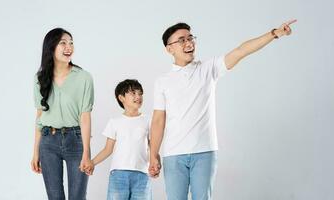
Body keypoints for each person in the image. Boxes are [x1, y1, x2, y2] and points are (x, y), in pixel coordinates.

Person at [149, 20, 297, 200]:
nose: (189, 43)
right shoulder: (162, 81)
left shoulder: (208, 68)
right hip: (173, 155)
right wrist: (153, 154)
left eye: (191, 38)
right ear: (169, 48)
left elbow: (241, 51)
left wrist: (274, 34)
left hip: (204, 152)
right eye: (181, 40)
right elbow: (158, 120)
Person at [31, 28, 94, 200]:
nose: (69, 47)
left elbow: (85, 116)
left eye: (71, 43)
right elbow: (39, 117)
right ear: (51, 47)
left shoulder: (84, 77)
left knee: (77, 197)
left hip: (76, 140)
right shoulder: (40, 79)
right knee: (54, 197)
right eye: (63, 43)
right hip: (48, 142)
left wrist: (86, 153)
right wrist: (35, 151)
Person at [90, 79, 151, 200]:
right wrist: (92, 163)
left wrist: (156, 162)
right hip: (119, 174)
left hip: (142, 174)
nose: (138, 96)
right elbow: (107, 149)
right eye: (133, 93)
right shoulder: (115, 122)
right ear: (121, 98)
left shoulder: (149, 120)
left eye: (140, 93)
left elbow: (152, 147)